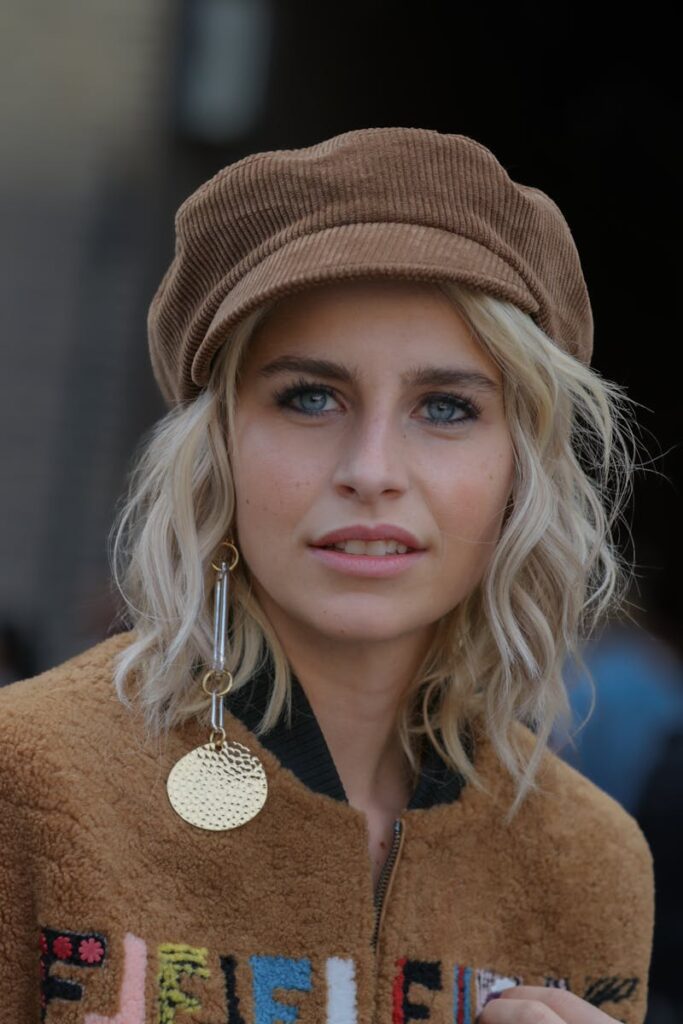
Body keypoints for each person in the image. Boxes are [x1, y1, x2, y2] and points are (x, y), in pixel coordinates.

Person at [0, 127, 654, 1024]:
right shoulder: (29, 780)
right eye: (309, 396)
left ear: (518, 470)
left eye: (446, 407)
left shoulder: (587, 862)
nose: (372, 467)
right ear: (218, 447)